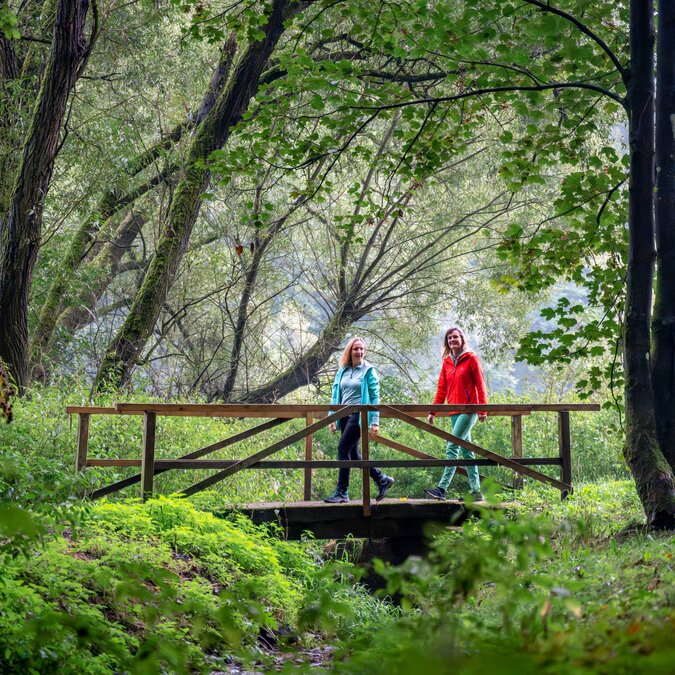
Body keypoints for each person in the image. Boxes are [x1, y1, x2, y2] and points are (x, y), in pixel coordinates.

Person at [324, 336, 395, 504]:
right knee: (352, 452)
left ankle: (342, 491)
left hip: (359, 415)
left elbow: (375, 396)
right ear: (350, 351)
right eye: (356, 348)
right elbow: (335, 395)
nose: (359, 351)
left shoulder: (368, 370)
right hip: (343, 415)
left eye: (362, 349)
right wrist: (331, 417)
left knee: (342, 448)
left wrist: (375, 421)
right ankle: (381, 479)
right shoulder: (342, 371)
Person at [424, 327, 487, 501]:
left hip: (468, 409)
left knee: (452, 446)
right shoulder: (447, 362)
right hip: (453, 411)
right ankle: (476, 492)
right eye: (449, 338)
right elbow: (441, 389)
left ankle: (442, 488)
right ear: (447, 341)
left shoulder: (471, 358)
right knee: (467, 451)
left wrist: (482, 409)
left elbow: (481, 385)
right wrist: (433, 411)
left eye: (455, 337)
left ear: (462, 339)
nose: (452, 340)